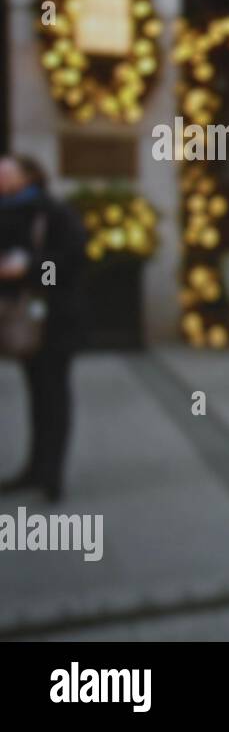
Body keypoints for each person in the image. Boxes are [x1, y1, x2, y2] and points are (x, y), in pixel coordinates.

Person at [0, 155, 87, 502]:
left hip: (53, 319)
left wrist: (29, 268)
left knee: (53, 396)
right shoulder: (8, 210)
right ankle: (35, 468)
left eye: (6, 171)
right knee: (37, 394)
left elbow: (70, 258)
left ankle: (52, 474)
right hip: (22, 320)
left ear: (28, 176)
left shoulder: (51, 211)